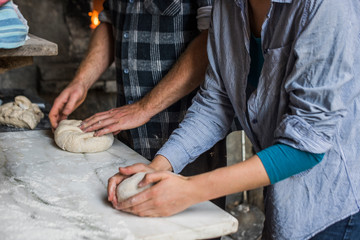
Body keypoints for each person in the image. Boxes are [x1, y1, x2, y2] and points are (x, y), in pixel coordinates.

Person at [107, 0, 360, 239]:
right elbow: (216, 102)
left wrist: (190, 190)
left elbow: (306, 144)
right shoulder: (228, 4)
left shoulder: (327, 6)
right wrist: (158, 167)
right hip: (283, 195)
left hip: (336, 206)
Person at [48, 1, 226, 208]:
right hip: (126, 136)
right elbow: (109, 22)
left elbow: (215, 38)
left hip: (189, 135)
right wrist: (81, 81)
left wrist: (144, 107)